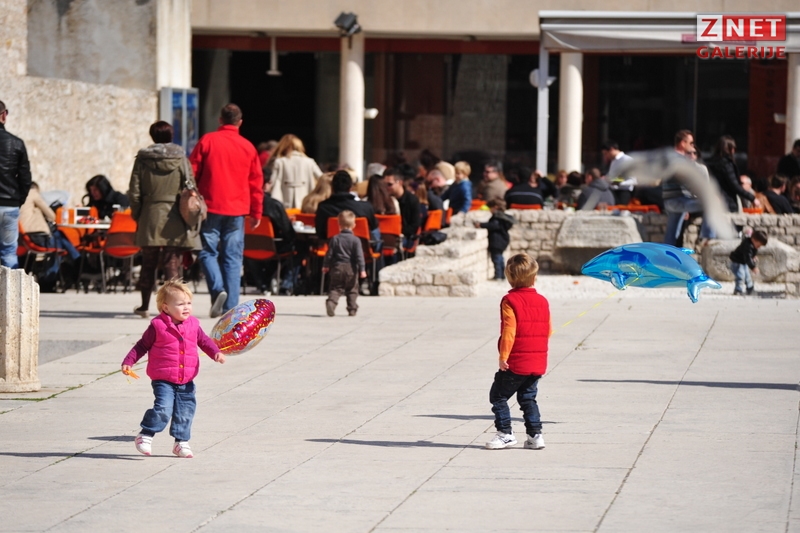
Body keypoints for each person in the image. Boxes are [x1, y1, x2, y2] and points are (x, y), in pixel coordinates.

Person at [122, 280, 225, 458]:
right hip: (163, 379)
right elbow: (142, 345)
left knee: (186, 411)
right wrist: (129, 361)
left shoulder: (193, 324)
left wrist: (215, 352)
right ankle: (146, 434)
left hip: (186, 378)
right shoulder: (157, 326)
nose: (186, 307)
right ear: (166, 308)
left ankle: (181, 442)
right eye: (180, 304)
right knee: (163, 408)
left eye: (189, 303)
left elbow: (204, 341)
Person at [189, 103, 263, 318]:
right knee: (233, 257)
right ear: (240, 122)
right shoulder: (248, 147)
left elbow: (192, 172)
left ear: (220, 120)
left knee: (207, 251)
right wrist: (256, 212)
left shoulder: (208, 141)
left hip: (210, 206)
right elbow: (256, 183)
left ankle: (217, 289)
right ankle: (231, 308)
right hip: (237, 209)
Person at [128, 121, 200, 318]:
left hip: (150, 213)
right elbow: (191, 186)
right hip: (175, 215)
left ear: (153, 136)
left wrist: (138, 214)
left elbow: (134, 191)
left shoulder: (143, 159)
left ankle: (144, 306)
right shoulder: (181, 158)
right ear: (171, 135)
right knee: (172, 263)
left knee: (148, 262)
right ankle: (175, 309)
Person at [485, 253, 549, 451]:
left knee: (498, 395)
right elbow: (548, 330)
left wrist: (503, 357)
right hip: (538, 361)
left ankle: (505, 433)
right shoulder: (542, 301)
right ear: (534, 277)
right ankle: (535, 436)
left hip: (517, 361)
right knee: (528, 398)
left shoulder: (510, 300)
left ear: (510, 278)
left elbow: (509, 332)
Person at [19, 182, 80, 289]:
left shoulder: (20, 196)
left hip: (26, 237)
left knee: (59, 238)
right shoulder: (33, 193)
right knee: (59, 243)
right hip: (38, 236)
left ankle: (75, 258)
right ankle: (75, 259)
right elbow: (49, 213)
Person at [246, 170, 298, 294]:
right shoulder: (274, 205)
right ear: (266, 184)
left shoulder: (245, 202)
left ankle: (262, 283)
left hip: (248, 246)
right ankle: (286, 285)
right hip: (274, 247)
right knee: (299, 247)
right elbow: (287, 231)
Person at [0, 100, 32, 269]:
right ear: (4, 115)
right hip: (9, 205)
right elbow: (25, 179)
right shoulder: (17, 143)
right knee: (8, 253)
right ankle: (11, 286)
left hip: (10, 203)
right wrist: (18, 201)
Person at [322, 210, 365, 317]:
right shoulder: (356, 240)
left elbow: (329, 254)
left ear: (339, 225)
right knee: (352, 289)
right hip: (351, 268)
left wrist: (326, 265)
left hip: (337, 267)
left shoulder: (335, 239)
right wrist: (362, 269)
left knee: (335, 288)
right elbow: (359, 256)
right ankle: (352, 308)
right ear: (354, 225)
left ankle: (331, 303)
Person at [315, 171, 378, 240]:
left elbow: (320, 233)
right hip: (361, 246)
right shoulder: (366, 207)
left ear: (332, 188)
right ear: (351, 188)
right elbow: (374, 230)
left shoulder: (323, 208)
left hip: (333, 245)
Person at [268, 134, 323, 209]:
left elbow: (271, 181)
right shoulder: (310, 162)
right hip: (305, 202)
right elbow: (322, 178)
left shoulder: (279, 162)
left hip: (283, 202)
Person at [706, 135, 757, 213]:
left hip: (712, 201)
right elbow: (734, 186)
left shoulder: (709, 163)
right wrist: (752, 198)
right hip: (727, 202)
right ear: (730, 149)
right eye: (733, 148)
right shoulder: (727, 165)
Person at [475, 199, 515, 280]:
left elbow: (493, 225)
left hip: (497, 241)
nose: (489, 210)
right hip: (502, 240)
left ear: (495, 207)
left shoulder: (497, 217)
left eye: (490, 208)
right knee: (500, 258)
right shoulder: (503, 217)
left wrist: (481, 225)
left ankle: (498, 275)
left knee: (496, 258)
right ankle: (502, 275)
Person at [384, 168, 421, 250]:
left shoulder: (412, 200)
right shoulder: (385, 200)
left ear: (400, 183)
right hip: (389, 236)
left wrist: (399, 231)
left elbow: (415, 225)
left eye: (389, 184)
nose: (386, 187)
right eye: (384, 185)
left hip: (405, 237)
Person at [729, 229, 768, 296]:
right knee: (741, 276)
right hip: (737, 262)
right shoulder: (748, 245)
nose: (758, 247)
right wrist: (753, 267)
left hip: (743, 262)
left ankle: (750, 289)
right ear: (753, 240)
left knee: (747, 276)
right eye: (758, 246)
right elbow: (748, 257)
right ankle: (738, 290)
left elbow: (751, 254)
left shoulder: (752, 244)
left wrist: (753, 256)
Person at [601, 140, 635, 205]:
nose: (606, 156)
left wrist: (617, 182)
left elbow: (633, 180)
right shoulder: (613, 161)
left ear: (612, 149)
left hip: (623, 192)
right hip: (612, 191)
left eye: (606, 153)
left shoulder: (627, 160)